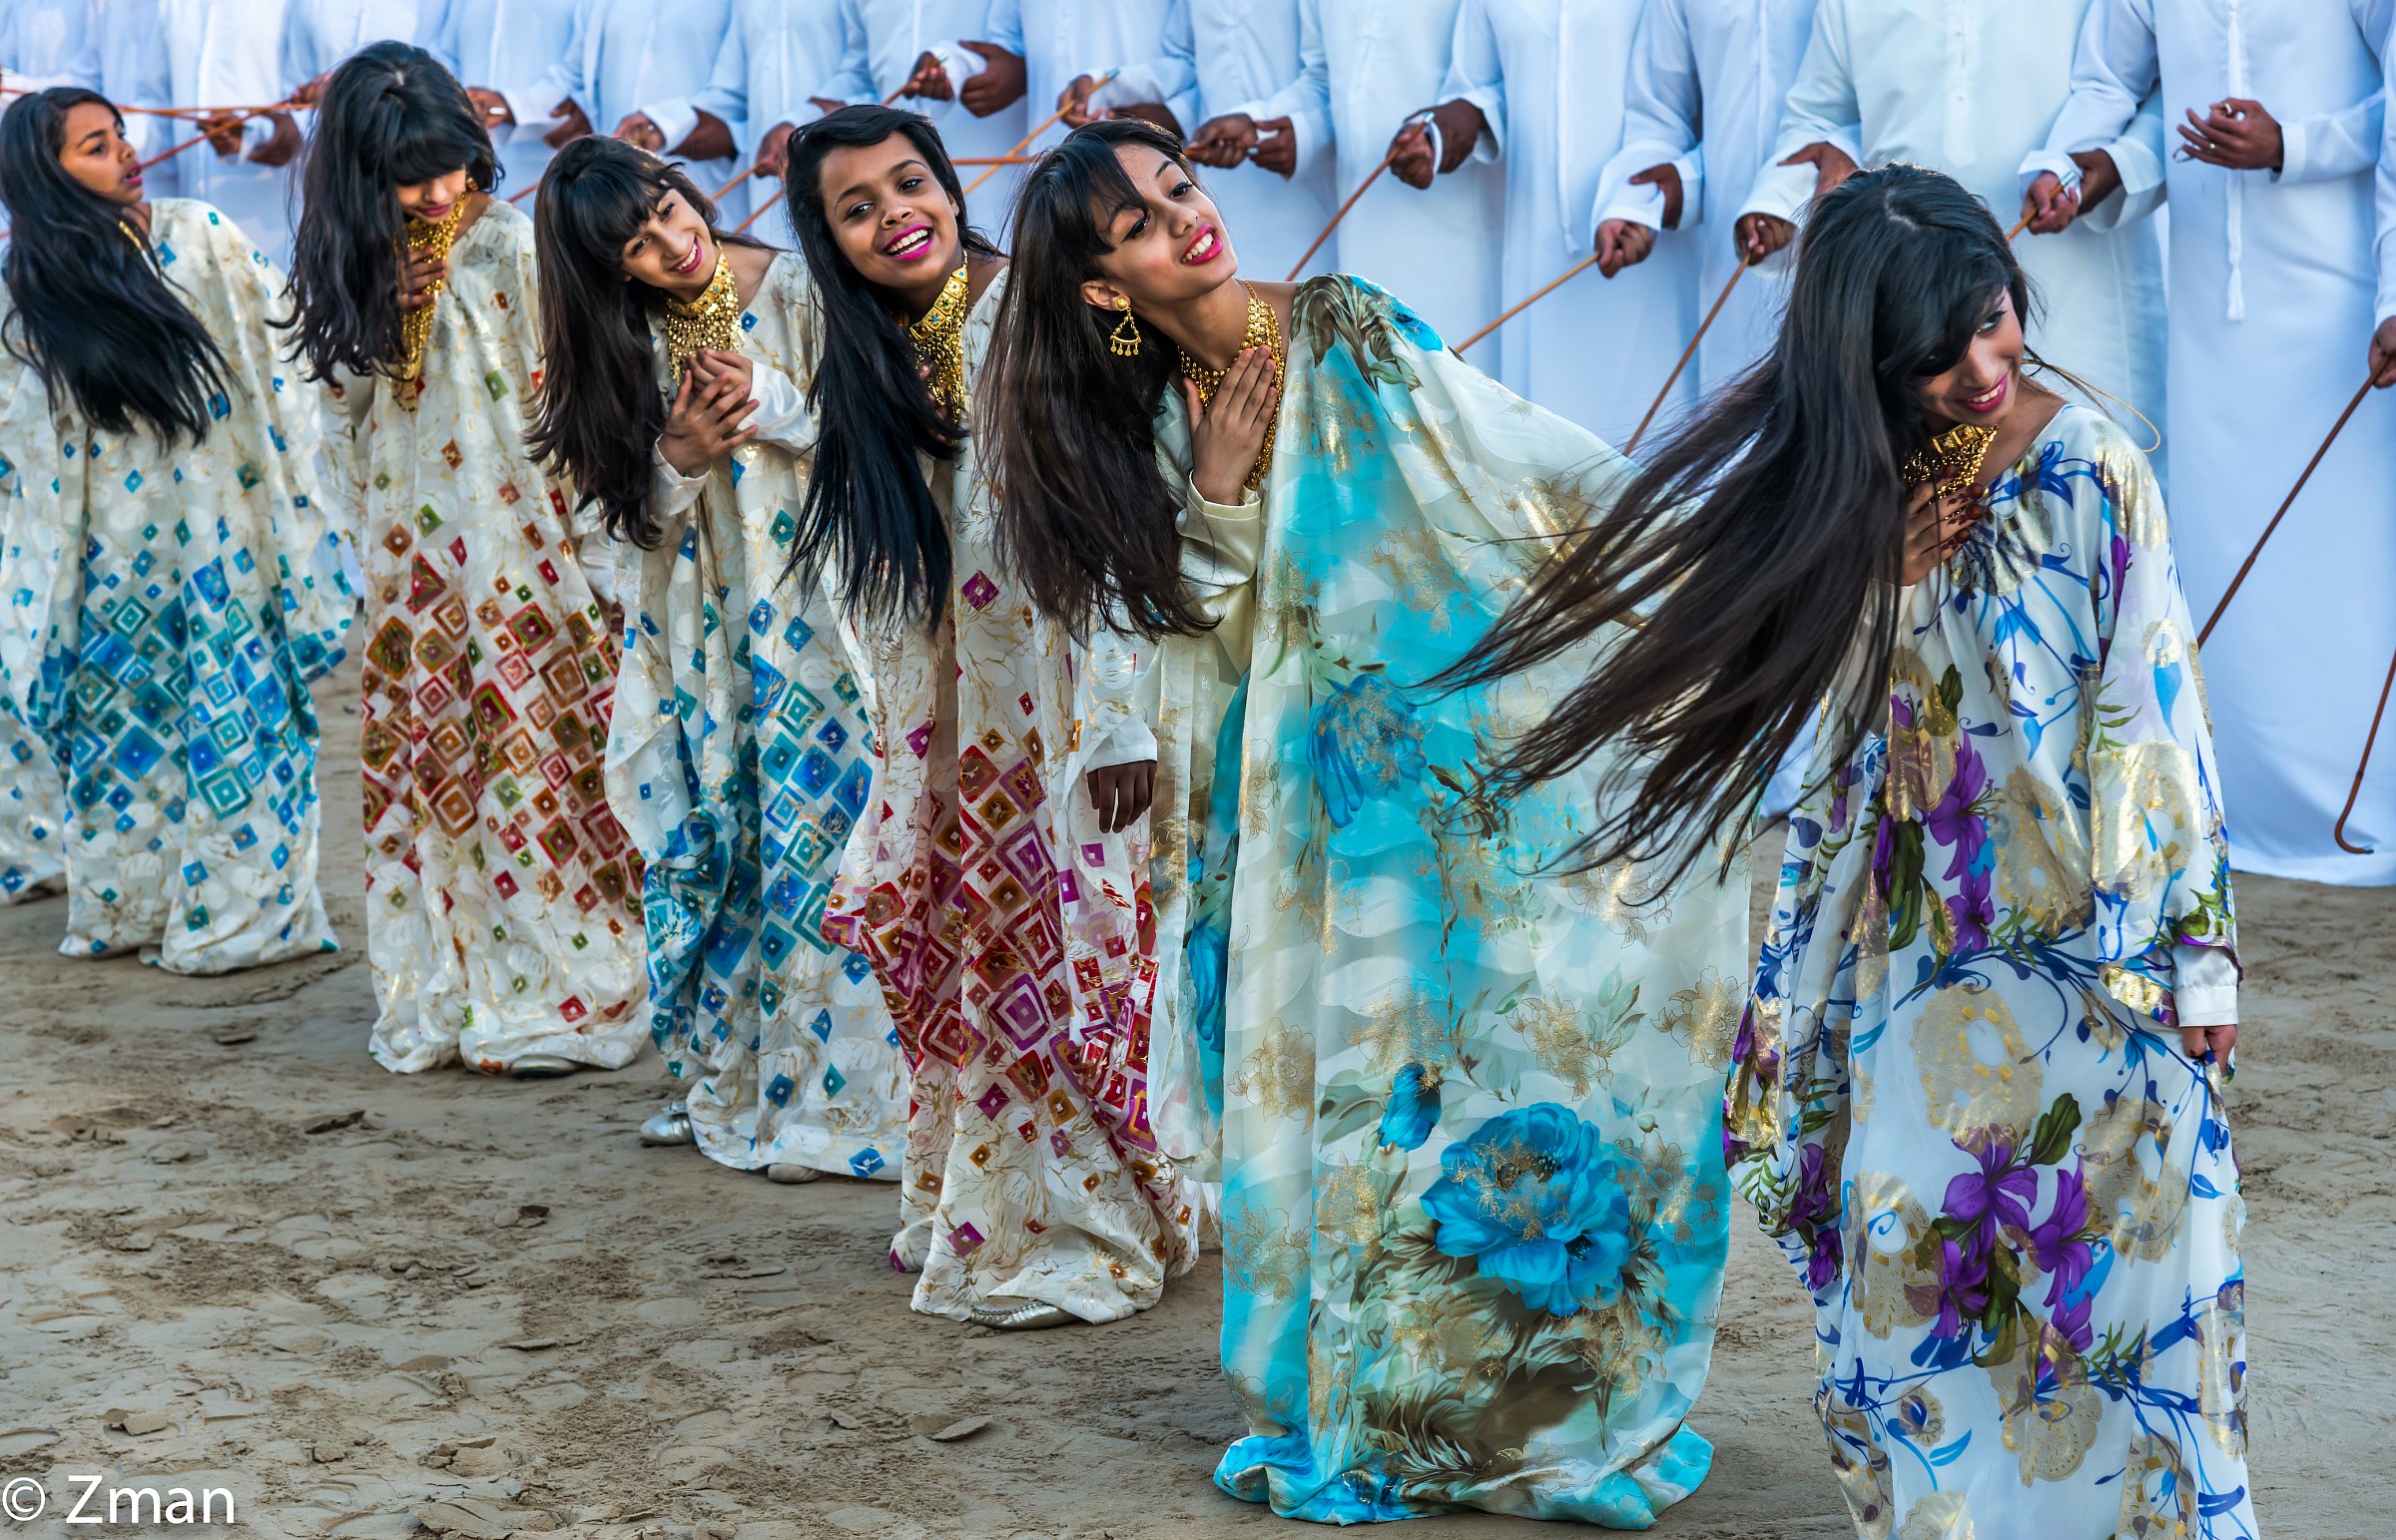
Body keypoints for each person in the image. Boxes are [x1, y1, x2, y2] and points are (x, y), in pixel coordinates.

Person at [1467, 162, 2249, 1539]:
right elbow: (1807, 743)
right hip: (1912, 950)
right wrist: (1874, 580)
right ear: (1870, 363)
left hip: (2098, 950)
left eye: (1994, 320)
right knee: (1915, 1269)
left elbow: (2154, 718)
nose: (1983, 368)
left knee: (2124, 1285)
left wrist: (2200, 957)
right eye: (1939, 354)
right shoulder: (1846, 484)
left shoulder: (2094, 468)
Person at [984, 116, 1749, 1520]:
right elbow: (1178, 627)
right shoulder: (1146, 424)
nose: (1186, 219)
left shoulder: (1345, 328)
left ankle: (1522, 1398)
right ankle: (1359, 1386)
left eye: (1179, 188)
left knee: (1488, 1056)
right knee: (1323, 1093)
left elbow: (1507, 471)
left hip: (1439, 781)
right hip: (1283, 818)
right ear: (1102, 286)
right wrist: (1218, 492)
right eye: (1140, 224)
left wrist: (1700, 565)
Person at [801, 106, 1201, 1330]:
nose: (894, 216)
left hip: (1080, 704)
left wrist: (1119, 719)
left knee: (1080, 952)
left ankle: (1097, 1215)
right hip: (966, 730)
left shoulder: (1043, 307)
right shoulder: (871, 356)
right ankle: (984, 1203)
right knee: (977, 949)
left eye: (908, 183)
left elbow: (1130, 501)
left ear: (952, 184)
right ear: (830, 242)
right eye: (857, 208)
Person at [523, 134, 907, 1179]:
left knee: (836, 840)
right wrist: (677, 458)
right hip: (710, 654)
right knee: (730, 847)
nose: (672, 244)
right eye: (637, 248)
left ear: (685, 187)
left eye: (667, 210)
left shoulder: (803, 289)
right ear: (609, 273)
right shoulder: (620, 349)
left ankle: (852, 1102)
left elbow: (900, 436)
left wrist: (776, 407)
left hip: (834, 625)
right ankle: (745, 1079)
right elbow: (613, 541)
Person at [282, 42, 644, 1076]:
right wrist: (378, 322)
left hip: (533, 566)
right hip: (419, 578)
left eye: (451, 166)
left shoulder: (519, 248)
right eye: (411, 178)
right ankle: (461, 981)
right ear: (363, 179)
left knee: (542, 767)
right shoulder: (354, 264)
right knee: (439, 773)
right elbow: (341, 420)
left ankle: (570, 988)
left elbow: (580, 408)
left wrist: (601, 557)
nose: (440, 193)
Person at [2046, 0, 2396, 884]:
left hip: (2341, 304)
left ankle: (2363, 807)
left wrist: (2293, 146)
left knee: (2346, 562)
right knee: (2219, 548)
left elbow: (2394, 106)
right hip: (2209, 319)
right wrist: (2067, 167)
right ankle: (2218, 797)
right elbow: (2107, 83)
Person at [0, 87, 353, 961]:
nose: (126, 153)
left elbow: (286, 354)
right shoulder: (25, 295)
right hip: (111, 563)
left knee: (238, 717)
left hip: (219, 542)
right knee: (122, 736)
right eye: (94, 146)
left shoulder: (197, 235)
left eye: (120, 136)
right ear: (43, 175)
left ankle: (244, 920)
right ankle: (132, 908)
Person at [1734, 0, 2170, 484]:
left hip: (2085, 283)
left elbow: (2161, 82)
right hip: (1914, 309)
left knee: (2101, 477)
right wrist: (1779, 202)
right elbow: (1819, 120)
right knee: (1933, 503)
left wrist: (2120, 163)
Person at [1406, 0, 1700, 441]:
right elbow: (1480, 88)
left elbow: (1676, 108)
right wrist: (1441, 133)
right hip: (1534, 257)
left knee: (1649, 442)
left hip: (1644, 248)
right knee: (1543, 445)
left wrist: (1645, 202)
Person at [1228, 0, 1502, 345]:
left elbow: (1511, 76)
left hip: (1457, 242)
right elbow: (1321, 82)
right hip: (1358, 232)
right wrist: (1260, 124)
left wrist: (1444, 133)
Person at [1591, 0, 1824, 395]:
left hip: (1845, 243)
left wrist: (1785, 197)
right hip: (1729, 254)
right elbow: (1659, 116)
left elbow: (1881, 107)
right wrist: (1642, 202)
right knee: (1731, 407)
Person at [1091, 0, 1339, 282]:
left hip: (1305, 188)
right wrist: (1106, 86)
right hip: (1214, 189)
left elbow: (1331, 77)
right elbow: (1188, 64)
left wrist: (1283, 128)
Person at [614, 0, 849, 230]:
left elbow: (865, 75)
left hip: (840, 167)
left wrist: (804, 121)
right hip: (767, 193)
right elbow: (730, 92)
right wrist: (664, 125)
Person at [824, 0, 1029, 230]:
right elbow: (860, 73)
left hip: (1002, 179)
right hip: (887, 191)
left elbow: (1026, 42)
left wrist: (960, 66)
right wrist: (811, 119)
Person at [527, 0, 738, 204]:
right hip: (610, 185)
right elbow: (577, 77)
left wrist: (664, 126)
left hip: (704, 182)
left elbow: (737, 97)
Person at [159, 0, 303, 257]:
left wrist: (258, 135)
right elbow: (154, 99)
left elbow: (314, 102)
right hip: (189, 217)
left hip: (275, 223)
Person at [421, 0, 581, 198]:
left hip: (546, 160)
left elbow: (582, 71)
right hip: (464, 155)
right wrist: (458, 99)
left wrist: (511, 106)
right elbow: (444, 54)